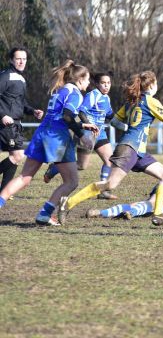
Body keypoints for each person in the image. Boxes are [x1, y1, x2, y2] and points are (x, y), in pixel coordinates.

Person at [58, 70, 163, 226]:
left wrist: (129, 129)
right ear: (152, 84)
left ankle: (158, 214)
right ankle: (68, 203)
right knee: (110, 184)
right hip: (130, 148)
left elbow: (114, 122)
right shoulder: (150, 101)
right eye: (157, 83)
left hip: (137, 150)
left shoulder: (131, 101)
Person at [0, 59, 98, 226]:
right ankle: (45, 214)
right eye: (87, 80)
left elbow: (59, 116)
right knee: (71, 181)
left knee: (25, 177)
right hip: (57, 138)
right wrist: (82, 134)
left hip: (43, 133)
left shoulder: (60, 90)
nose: (88, 84)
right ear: (80, 79)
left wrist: (82, 124)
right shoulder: (75, 94)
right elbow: (67, 117)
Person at [43, 72, 121, 199]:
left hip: (100, 134)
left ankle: (103, 191)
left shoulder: (106, 98)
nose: (106, 86)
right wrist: (89, 125)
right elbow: (81, 112)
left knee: (109, 161)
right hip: (88, 133)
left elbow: (110, 116)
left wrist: (124, 121)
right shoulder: (93, 95)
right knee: (81, 165)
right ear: (97, 84)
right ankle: (54, 169)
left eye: (108, 83)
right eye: (103, 83)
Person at [0, 47, 44, 192]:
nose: (21, 61)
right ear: (11, 60)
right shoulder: (6, 76)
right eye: (18, 58)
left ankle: (3, 192)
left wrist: (33, 111)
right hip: (7, 123)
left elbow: (20, 103)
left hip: (16, 123)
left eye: (24, 59)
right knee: (17, 155)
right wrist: (2, 115)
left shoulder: (21, 78)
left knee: (15, 157)